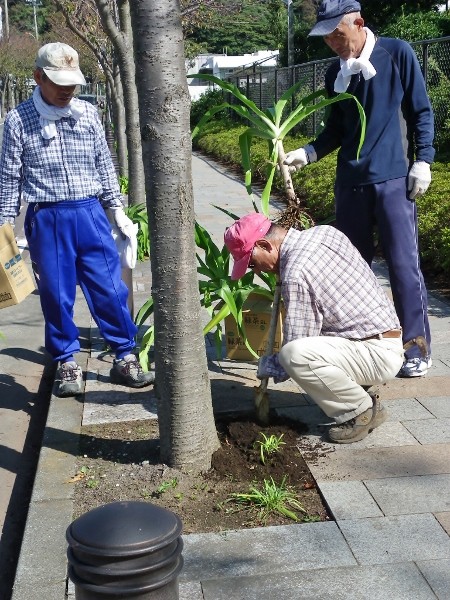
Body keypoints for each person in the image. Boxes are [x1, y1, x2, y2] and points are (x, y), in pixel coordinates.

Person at [283, 0, 434, 378]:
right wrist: (308, 152)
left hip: (393, 179)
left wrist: (424, 160)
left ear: (359, 23)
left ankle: (416, 346)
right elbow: (336, 130)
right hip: (349, 184)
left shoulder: (396, 52)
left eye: (338, 33)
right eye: (327, 37)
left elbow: (421, 111)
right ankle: (361, 343)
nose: (332, 43)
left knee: (403, 267)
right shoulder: (337, 70)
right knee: (351, 270)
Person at [0, 42, 154, 397]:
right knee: (55, 294)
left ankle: (124, 356)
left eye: (73, 83)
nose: (68, 90)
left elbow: (104, 164)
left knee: (110, 288)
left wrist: (116, 209)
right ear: (38, 77)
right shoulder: (18, 120)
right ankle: (67, 362)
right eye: (58, 83)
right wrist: (5, 223)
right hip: (47, 218)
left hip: (90, 213)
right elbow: (9, 176)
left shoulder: (87, 114)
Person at [224, 213, 405, 444]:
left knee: (294, 355)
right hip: (385, 338)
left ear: (265, 245)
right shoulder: (324, 233)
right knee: (306, 346)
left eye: (251, 262)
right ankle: (353, 388)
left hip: (376, 354)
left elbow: (298, 345)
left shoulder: (297, 273)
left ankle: (360, 411)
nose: (256, 271)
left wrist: (269, 366)